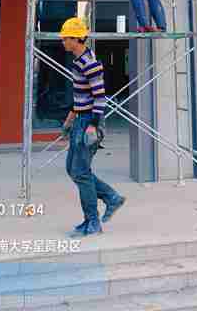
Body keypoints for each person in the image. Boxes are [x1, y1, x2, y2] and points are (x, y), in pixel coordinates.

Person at [59, 17, 126, 237]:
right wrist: (69, 121)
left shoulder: (89, 63)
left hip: (89, 121)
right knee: (73, 169)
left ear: (76, 39)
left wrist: (93, 126)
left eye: (65, 38)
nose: (63, 41)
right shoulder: (79, 61)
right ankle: (111, 198)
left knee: (80, 172)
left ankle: (93, 221)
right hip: (80, 120)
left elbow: (99, 97)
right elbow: (81, 97)